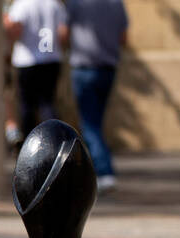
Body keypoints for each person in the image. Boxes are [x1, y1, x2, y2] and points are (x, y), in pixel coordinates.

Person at [64, 0, 128, 191]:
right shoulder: (116, 3)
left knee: (90, 124)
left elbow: (63, 33)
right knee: (96, 122)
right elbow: (124, 38)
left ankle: (104, 171)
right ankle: (96, 170)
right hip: (108, 69)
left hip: (84, 68)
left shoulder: (76, 3)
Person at [4, 0, 66, 142]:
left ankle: (30, 143)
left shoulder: (23, 4)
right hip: (51, 59)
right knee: (47, 104)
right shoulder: (55, 4)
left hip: (28, 60)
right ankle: (54, 141)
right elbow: (63, 34)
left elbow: (14, 29)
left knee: (27, 106)